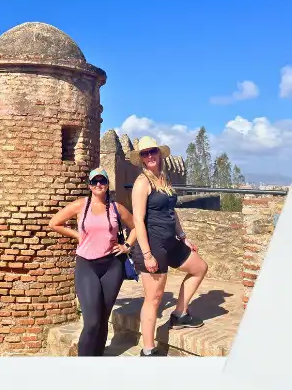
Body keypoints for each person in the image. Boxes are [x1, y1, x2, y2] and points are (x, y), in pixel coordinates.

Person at [126, 135, 209, 357]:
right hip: (152, 246)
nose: (150, 156)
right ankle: (148, 350)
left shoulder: (164, 178)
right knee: (153, 299)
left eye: (153, 151)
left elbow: (172, 212)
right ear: (141, 159)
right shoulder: (142, 183)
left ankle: (179, 314)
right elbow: (138, 221)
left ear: (159, 154)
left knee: (199, 267)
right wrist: (147, 254)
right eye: (145, 153)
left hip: (171, 242)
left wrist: (183, 237)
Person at [48, 167, 137, 356]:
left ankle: (97, 358)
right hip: (87, 265)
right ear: (89, 185)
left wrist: (127, 245)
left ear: (107, 184)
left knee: (103, 317)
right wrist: (76, 235)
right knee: (92, 321)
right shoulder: (81, 205)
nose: (99, 185)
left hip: (112, 266)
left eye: (102, 181)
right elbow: (54, 222)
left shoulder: (116, 208)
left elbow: (136, 227)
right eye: (95, 181)